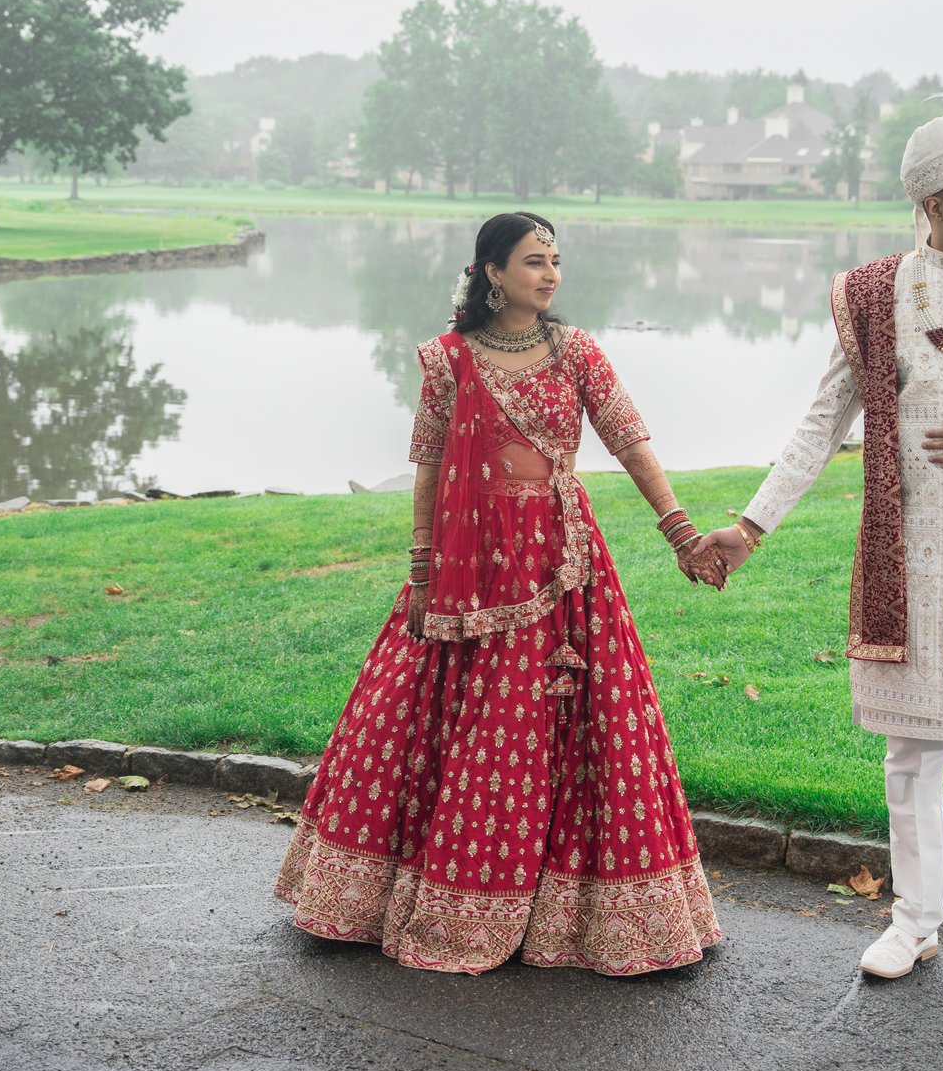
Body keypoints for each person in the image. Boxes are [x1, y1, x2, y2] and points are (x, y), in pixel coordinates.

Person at [688, 90, 943, 1009]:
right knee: (912, 756)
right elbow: (820, 423)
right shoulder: (874, 295)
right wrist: (750, 526)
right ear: (931, 203)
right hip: (908, 562)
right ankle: (913, 921)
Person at [274, 211, 725, 975]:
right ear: (491, 272)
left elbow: (629, 440)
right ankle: (424, 900)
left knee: (583, 732)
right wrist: (421, 569)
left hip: (563, 568)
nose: (549, 275)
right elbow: (427, 464)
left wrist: (679, 530)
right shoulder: (449, 360)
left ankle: (582, 916)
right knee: (459, 723)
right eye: (532, 262)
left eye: (554, 261)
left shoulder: (578, 351)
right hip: (470, 568)